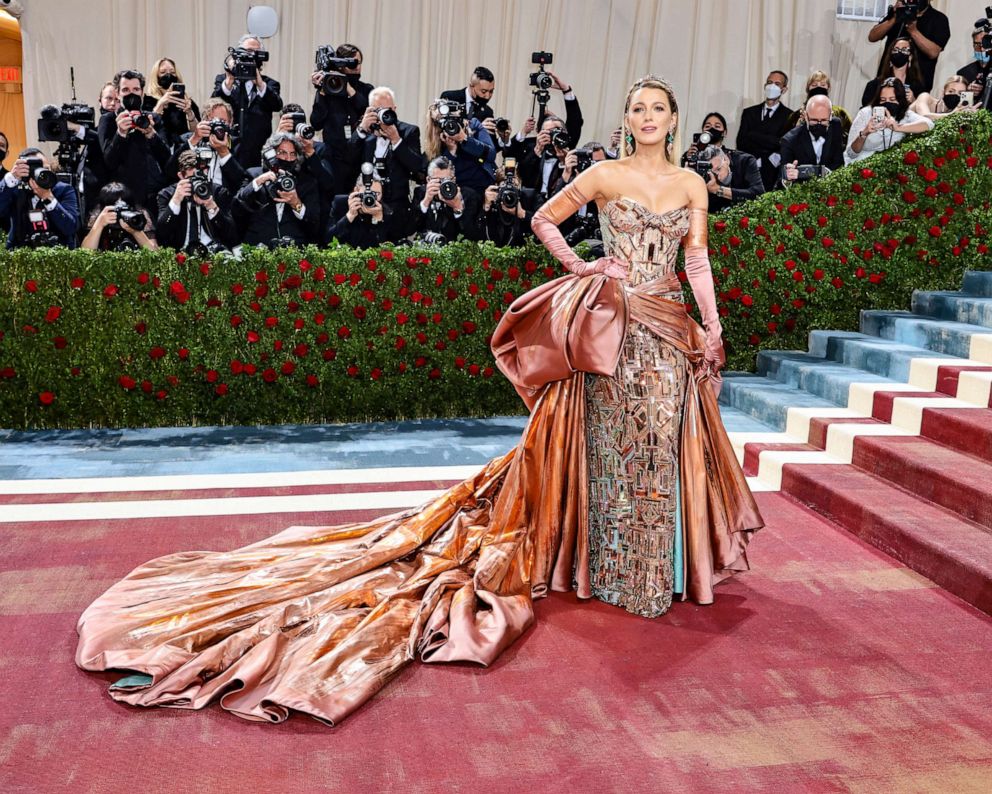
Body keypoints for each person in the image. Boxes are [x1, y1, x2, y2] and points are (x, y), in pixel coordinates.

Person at [75, 74, 762, 727]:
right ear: (627, 118)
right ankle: (607, 568)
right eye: (638, 108)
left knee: (659, 445)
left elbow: (695, 259)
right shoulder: (606, 175)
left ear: (674, 120)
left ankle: (650, 571)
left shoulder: (691, 182)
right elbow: (546, 220)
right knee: (610, 447)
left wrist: (714, 323)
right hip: (612, 327)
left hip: (671, 329)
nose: (647, 118)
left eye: (658, 110)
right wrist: (585, 267)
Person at [346, 86, 426, 237]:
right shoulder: (364, 131)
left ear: (395, 109)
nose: (384, 114)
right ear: (369, 110)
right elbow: (348, 160)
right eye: (378, 110)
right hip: (365, 205)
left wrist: (396, 140)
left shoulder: (408, 131)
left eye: (388, 109)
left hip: (397, 207)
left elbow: (417, 166)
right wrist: (362, 129)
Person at [97, 69, 172, 209]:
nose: (131, 94)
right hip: (121, 197)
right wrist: (120, 133)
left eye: (136, 89)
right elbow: (109, 162)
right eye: (125, 90)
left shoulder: (153, 119)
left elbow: (167, 159)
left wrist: (151, 134)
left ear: (142, 93)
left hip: (152, 196)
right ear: (118, 94)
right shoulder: (108, 120)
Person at [233, 131, 319, 248]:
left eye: (292, 154)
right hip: (258, 249)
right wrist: (258, 182)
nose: (288, 158)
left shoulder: (306, 182)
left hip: (294, 251)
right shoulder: (254, 174)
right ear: (271, 154)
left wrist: (296, 204)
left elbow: (314, 226)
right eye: (282, 153)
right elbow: (236, 206)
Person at [309, 43, 372, 195]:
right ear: (340, 64)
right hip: (334, 157)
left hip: (359, 157)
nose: (355, 67)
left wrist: (348, 88)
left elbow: (366, 110)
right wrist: (322, 91)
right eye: (351, 62)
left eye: (358, 62)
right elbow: (316, 123)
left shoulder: (366, 89)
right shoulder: (328, 91)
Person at [212, 35, 283, 168]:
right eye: (247, 51)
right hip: (228, 149)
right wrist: (229, 81)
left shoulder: (269, 84)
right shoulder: (223, 80)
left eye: (255, 52)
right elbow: (213, 105)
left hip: (258, 151)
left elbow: (277, 105)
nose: (251, 55)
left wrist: (259, 83)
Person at [155, 150, 238, 253]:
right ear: (181, 176)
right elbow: (161, 234)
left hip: (213, 250)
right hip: (180, 252)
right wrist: (176, 201)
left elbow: (231, 235)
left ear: (207, 171)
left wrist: (211, 206)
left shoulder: (218, 192)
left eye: (201, 176)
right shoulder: (167, 194)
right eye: (192, 178)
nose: (197, 182)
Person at [0, 148, 80, 248]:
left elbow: (71, 227)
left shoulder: (63, 189)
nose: (42, 174)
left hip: (59, 254)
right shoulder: (16, 190)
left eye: (46, 169)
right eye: (36, 169)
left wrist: (48, 198)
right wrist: (11, 178)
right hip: (21, 254)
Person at [868, 0, 950, 94]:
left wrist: (913, 31)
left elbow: (933, 52)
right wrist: (894, 18)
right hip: (887, 82)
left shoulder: (939, 19)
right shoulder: (899, 13)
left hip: (918, 84)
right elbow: (872, 37)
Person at [846, 77, 933, 164]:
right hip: (861, 165)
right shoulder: (865, 113)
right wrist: (864, 133)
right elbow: (851, 154)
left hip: (890, 167)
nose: (887, 103)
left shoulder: (906, 114)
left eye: (892, 99)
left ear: (900, 100)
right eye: (883, 100)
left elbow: (929, 124)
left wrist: (898, 128)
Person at [736, 71, 794, 191]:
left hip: (773, 172)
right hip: (749, 171)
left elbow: (783, 144)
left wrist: (753, 135)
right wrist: (770, 143)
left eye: (777, 84)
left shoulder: (789, 116)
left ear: (784, 89)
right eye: (769, 82)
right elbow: (741, 142)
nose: (772, 86)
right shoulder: (749, 112)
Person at [423, 98, 495, 193]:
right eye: (443, 120)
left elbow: (491, 154)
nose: (450, 124)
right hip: (453, 189)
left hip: (480, 185)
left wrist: (464, 138)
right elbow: (438, 172)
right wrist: (451, 151)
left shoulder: (473, 125)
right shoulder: (436, 137)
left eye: (452, 118)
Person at [779, 95, 845, 187]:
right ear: (805, 116)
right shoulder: (790, 140)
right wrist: (788, 178)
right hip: (802, 191)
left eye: (823, 121)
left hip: (830, 187)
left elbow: (839, 162)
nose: (819, 124)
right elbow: (782, 178)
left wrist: (822, 172)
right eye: (814, 120)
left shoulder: (835, 125)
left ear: (830, 116)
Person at [327, 167, 403, 246]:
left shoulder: (386, 211)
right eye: (368, 193)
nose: (370, 198)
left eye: (376, 194)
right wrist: (349, 216)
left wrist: (377, 220)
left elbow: (388, 247)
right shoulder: (340, 203)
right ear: (356, 190)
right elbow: (328, 240)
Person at [412, 157, 481, 242]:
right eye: (438, 180)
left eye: (446, 180)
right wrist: (426, 201)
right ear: (428, 180)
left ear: (454, 180)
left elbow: (472, 235)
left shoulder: (468, 196)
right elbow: (411, 228)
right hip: (428, 249)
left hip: (456, 250)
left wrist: (457, 208)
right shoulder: (421, 192)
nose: (443, 185)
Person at [80, 182, 157, 251]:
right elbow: (86, 252)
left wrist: (135, 231)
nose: (120, 211)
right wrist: (99, 224)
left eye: (124, 206)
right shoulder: (97, 216)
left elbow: (155, 254)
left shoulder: (139, 216)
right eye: (116, 207)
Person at [144, 57, 199, 150]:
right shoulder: (148, 100)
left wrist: (190, 113)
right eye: (163, 72)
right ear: (156, 76)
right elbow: (146, 127)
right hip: (158, 149)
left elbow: (197, 132)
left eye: (172, 72)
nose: (168, 75)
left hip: (184, 150)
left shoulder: (187, 101)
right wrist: (160, 104)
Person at [784, 71, 852, 143]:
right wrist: (799, 126)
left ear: (828, 88)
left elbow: (848, 139)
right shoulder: (796, 115)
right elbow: (786, 140)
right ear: (808, 89)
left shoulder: (841, 114)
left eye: (823, 85)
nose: (819, 88)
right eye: (814, 85)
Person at [480, 161, 536, 246]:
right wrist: (486, 207)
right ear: (496, 186)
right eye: (504, 185)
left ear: (520, 184)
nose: (509, 190)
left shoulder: (529, 197)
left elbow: (545, 223)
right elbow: (476, 234)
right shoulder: (492, 200)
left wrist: (522, 214)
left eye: (514, 185)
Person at [696, 146, 763, 211]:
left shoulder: (745, 161)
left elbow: (758, 194)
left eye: (719, 169)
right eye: (711, 172)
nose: (717, 176)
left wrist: (718, 189)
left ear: (726, 160)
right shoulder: (703, 174)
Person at [862, 37, 924, 107]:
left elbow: (921, 112)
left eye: (904, 50)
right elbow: (866, 108)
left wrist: (913, 101)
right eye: (895, 49)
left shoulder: (917, 86)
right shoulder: (874, 85)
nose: (899, 52)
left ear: (910, 56)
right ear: (890, 54)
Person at [911, 75, 980, 120]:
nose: (955, 95)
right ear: (943, 93)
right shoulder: (926, 97)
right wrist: (952, 115)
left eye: (960, 93)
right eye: (951, 91)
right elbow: (924, 117)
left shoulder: (957, 111)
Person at [956, 27, 991, 97]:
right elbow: (956, 102)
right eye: (977, 45)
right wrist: (966, 93)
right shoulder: (964, 73)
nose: (982, 48)